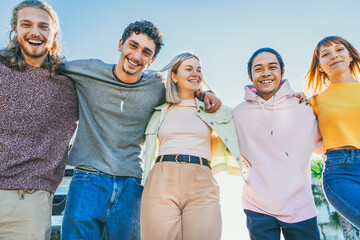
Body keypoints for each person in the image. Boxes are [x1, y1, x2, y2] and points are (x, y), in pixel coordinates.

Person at [61, 21, 221, 240]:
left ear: (152, 60)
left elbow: (183, 88)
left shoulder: (155, 88)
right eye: (132, 46)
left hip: (131, 182)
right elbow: (49, 64)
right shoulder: (89, 70)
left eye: (146, 52)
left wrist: (204, 94)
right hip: (88, 177)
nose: (137, 56)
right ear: (120, 44)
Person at [140, 52, 242, 240]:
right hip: (161, 178)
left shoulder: (214, 109)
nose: (195, 73)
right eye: (189, 69)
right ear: (174, 76)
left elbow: (246, 117)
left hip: (202, 179)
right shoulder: (158, 108)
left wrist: (206, 94)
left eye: (199, 69)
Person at [0, 1, 78, 239]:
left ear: (54, 33)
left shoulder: (70, 81)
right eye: (26, 24)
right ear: (15, 29)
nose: (35, 32)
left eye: (43, 26)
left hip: (31, 201)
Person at [233, 48, 321, 240]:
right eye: (258, 69)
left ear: (282, 71)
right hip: (257, 204)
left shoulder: (304, 107)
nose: (266, 73)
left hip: (300, 204)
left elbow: (322, 145)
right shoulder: (237, 114)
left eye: (272, 67)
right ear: (250, 75)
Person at [305, 36, 360, 228]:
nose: (334, 56)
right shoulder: (315, 101)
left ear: (350, 55)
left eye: (339, 50)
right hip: (341, 172)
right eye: (325, 54)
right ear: (320, 65)